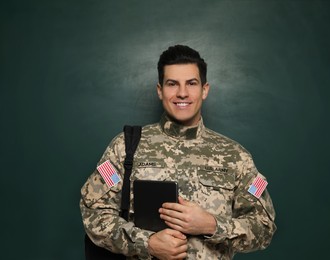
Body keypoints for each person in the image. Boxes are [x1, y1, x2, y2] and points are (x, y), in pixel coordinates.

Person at [80, 45, 276, 259]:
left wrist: (211, 225)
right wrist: (147, 243)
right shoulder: (125, 148)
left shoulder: (237, 157)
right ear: (160, 90)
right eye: (172, 84)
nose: (182, 93)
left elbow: (264, 227)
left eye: (191, 83)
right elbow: (93, 211)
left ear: (204, 89)